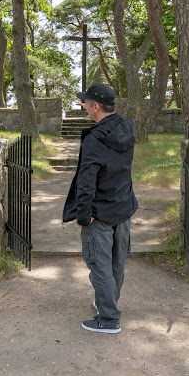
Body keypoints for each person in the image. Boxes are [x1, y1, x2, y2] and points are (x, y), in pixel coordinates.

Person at [62, 83, 138, 334]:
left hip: (101, 212)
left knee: (100, 265)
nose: (82, 106)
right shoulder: (127, 126)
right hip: (122, 206)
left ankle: (108, 319)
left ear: (96, 106)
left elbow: (87, 180)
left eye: (85, 102)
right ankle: (106, 303)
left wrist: (84, 215)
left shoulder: (95, 138)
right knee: (116, 263)